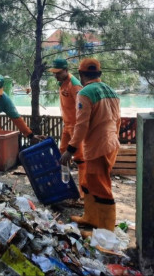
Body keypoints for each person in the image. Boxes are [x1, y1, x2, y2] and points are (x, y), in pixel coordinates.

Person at [59, 58, 121, 235]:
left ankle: (106, 231)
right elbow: (118, 121)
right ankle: (91, 217)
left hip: (98, 146)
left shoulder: (85, 93)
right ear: (99, 74)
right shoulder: (111, 91)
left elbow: (81, 124)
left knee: (102, 188)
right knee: (88, 183)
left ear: (81, 74)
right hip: (109, 144)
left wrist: (70, 150)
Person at [48, 58, 86, 199]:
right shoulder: (62, 83)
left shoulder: (75, 85)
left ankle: (84, 193)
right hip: (67, 125)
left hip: (76, 127)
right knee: (61, 155)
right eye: (54, 72)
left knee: (81, 160)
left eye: (58, 72)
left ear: (66, 70)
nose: (55, 75)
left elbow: (82, 108)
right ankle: (63, 186)